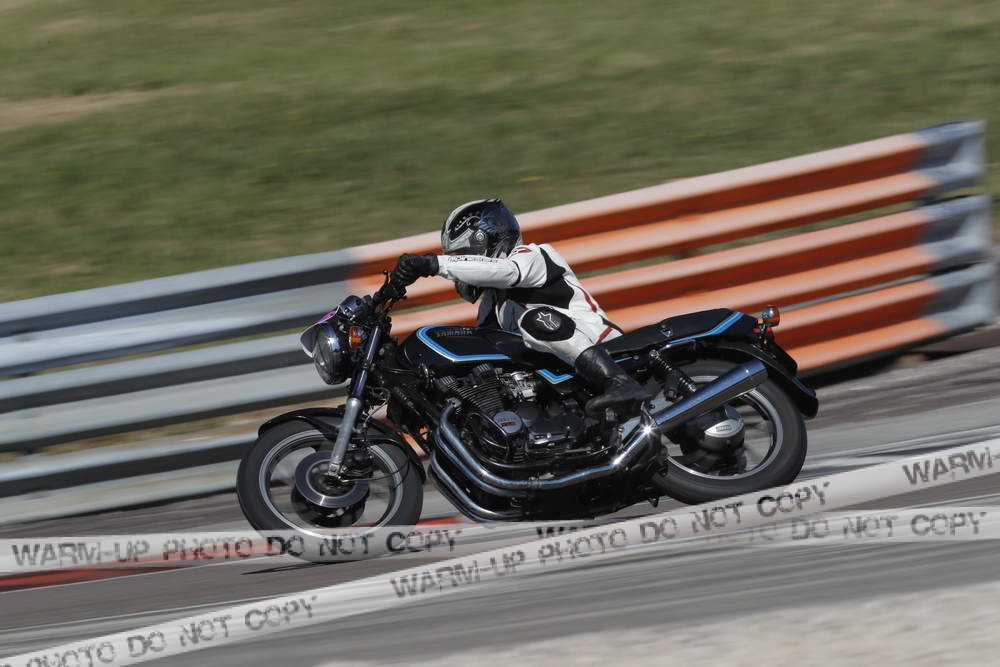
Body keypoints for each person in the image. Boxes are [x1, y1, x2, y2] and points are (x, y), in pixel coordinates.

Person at [391, 198, 653, 416]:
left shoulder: (533, 255)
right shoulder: (491, 305)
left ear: (485, 240)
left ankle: (618, 382)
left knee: (535, 319)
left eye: (463, 255)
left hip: (605, 348)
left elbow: (508, 272)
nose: (461, 264)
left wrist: (434, 264)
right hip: (561, 377)